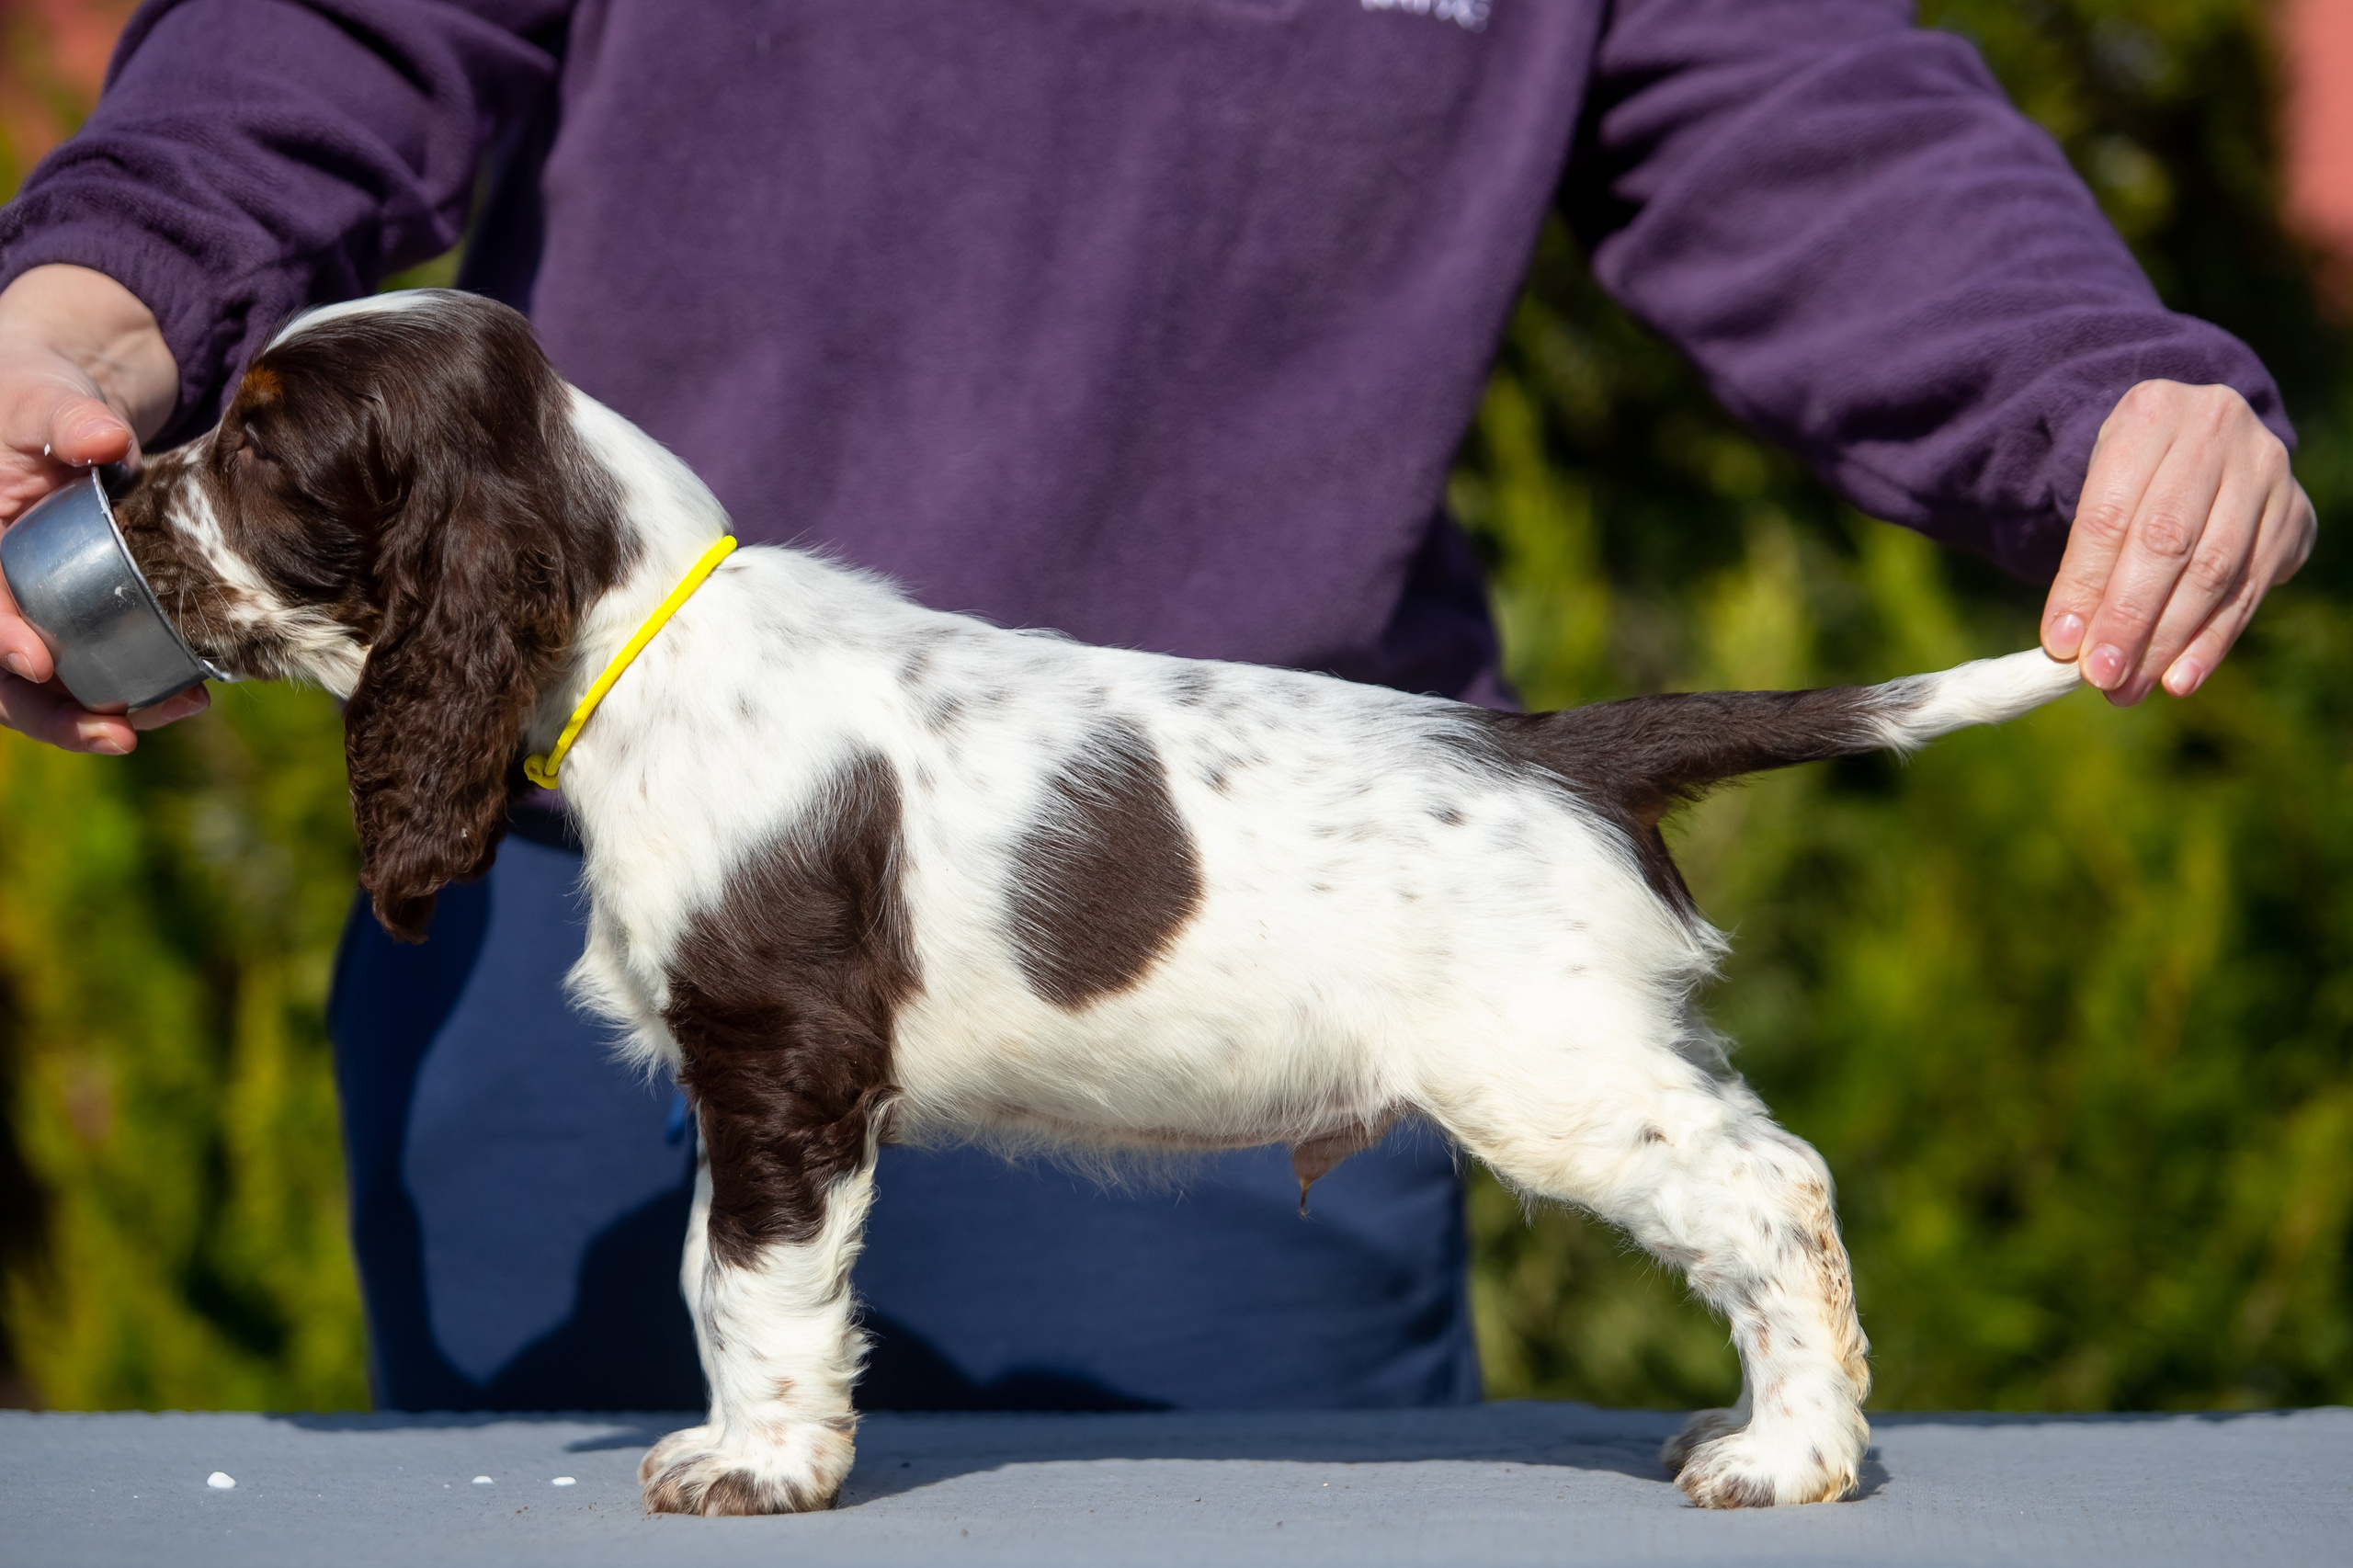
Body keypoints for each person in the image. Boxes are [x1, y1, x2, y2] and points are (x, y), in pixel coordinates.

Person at [0, 0, 2315, 1413]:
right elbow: (327, 25)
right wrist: (110, 296)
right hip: (565, 908)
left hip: (1254, 933)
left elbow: (1796, 112)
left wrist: (2088, 392)